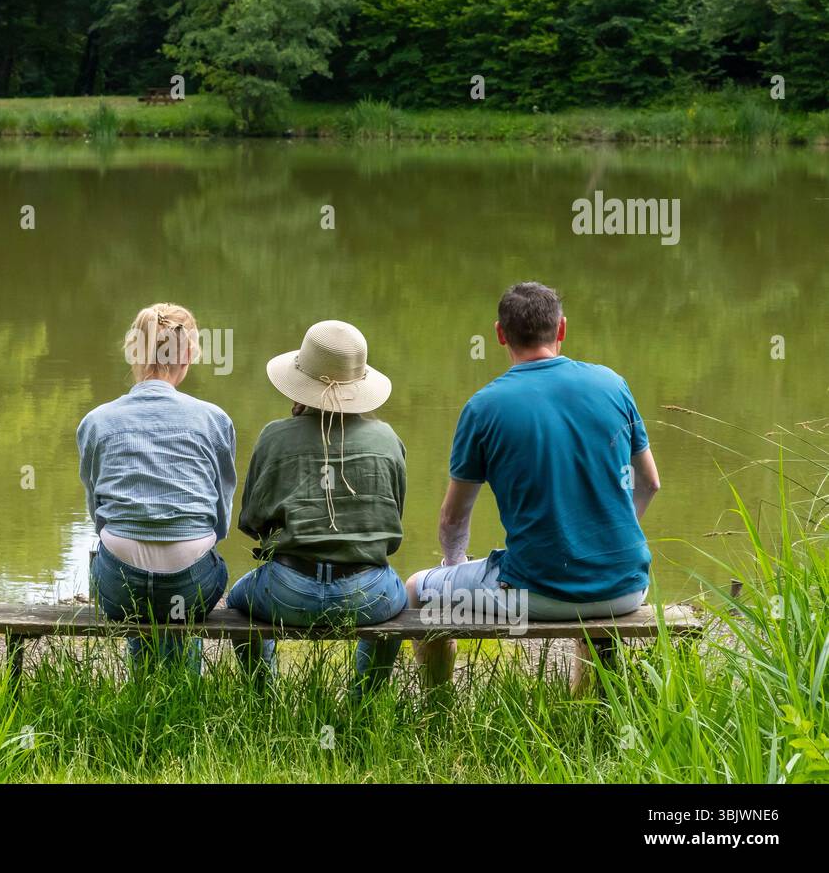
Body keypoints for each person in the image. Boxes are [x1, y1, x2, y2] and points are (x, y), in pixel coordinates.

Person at [406, 282, 661, 689]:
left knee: (418, 590)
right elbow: (649, 482)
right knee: (591, 597)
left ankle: (437, 712)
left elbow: (454, 519)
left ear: (500, 334)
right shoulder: (612, 384)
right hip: (627, 587)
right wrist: (603, 541)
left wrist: (452, 565)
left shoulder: (484, 407)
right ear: (561, 329)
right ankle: (592, 713)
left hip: (533, 597)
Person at [227, 320, 408, 698]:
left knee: (237, 601)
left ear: (300, 378)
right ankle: (363, 701)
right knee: (398, 608)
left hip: (286, 593)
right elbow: (391, 531)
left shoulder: (274, 436)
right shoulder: (388, 440)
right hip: (368, 595)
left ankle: (264, 694)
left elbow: (252, 523)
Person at [77, 303, 234, 674]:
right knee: (186, 582)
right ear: (189, 355)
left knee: (128, 564)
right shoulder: (214, 419)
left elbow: (97, 512)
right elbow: (220, 518)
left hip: (121, 587)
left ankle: (144, 690)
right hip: (191, 582)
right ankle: (184, 693)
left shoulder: (96, 421)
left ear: (134, 351)